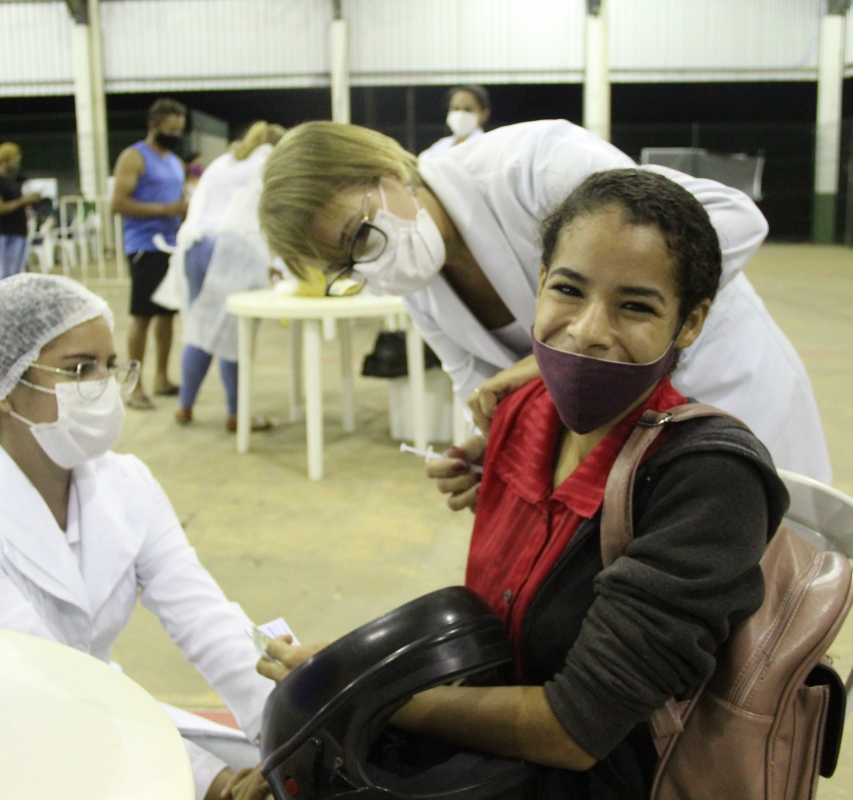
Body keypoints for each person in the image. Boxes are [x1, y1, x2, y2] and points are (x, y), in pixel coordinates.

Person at [260, 169, 789, 800]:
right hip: (495, 745)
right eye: (568, 289)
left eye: (635, 306)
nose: (588, 329)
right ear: (539, 284)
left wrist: (361, 691)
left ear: (690, 322)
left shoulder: (708, 483)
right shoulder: (522, 416)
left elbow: (576, 728)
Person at [259, 119, 832, 486]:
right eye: (347, 267)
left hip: (724, 386)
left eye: (360, 236)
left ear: (387, 174)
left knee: (772, 589)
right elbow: (483, 386)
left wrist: (551, 360)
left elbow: (734, 220)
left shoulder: (533, 166)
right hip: (626, 443)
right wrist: (489, 450)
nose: (371, 265)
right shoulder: (419, 283)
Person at [0, 274, 273, 800]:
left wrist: (291, 720)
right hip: (10, 751)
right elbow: (49, 697)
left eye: (110, 365)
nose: (103, 386)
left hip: (103, 713)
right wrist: (216, 784)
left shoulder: (126, 483)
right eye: (79, 369)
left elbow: (205, 617)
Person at [163, 121, 285, 430]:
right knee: (234, 331)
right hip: (233, 250)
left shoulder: (223, 162)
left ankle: (185, 406)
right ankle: (236, 414)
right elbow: (270, 215)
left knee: (201, 327)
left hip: (195, 245)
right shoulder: (269, 162)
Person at [112, 98, 190, 408]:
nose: (175, 135)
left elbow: (179, 201)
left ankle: (161, 378)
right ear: (154, 126)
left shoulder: (174, 162)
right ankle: (134, 386)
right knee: (142, 317)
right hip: (144, 246)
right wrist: (164, 210)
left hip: (172, 246)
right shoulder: (133, 157)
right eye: (170, 129)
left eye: (179, 130)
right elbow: (118, 203)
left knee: (167, 315)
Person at [0, 142, 42, 279]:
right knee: (8, 276)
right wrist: (22, 201)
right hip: (8, 234)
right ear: (7, 160)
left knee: (17, 274)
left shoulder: (11, 181)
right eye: (16, 160)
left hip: (19, 232)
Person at [418, 85, 490, 161]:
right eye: (456, 108)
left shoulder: (486, 146)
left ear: (484, 114)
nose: (461, 114)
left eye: (468, 109)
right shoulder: (441, 145)